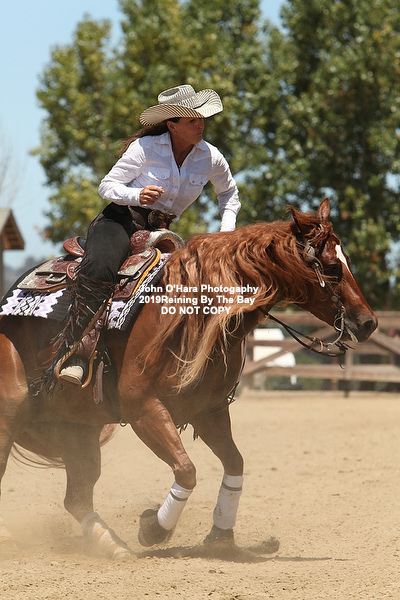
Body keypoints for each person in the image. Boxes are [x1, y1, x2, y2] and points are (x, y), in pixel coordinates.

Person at [58, 84, 241, 385]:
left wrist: (226, 234)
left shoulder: (211, 157)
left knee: (189, 284)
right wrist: (137, 195)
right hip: (120, 221)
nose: (200, 125)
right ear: (172, 125)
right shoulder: (145, 148)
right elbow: (106, 186)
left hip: (161, 232)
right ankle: (76, 352)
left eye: (201, 119)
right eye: (192, 120)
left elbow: (229, 195)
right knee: (101, 268)